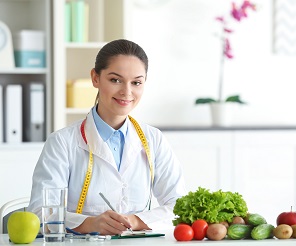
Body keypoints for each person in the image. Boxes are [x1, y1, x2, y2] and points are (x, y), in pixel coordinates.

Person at [27, 39, 187, 235]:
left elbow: (180, 206)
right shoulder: (62, 142)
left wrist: (136, 221)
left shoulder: (154, 139)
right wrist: (89, 224)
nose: (126, 92)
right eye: (115, 80)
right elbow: (40, 212)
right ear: (95, 78)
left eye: (136, 82)